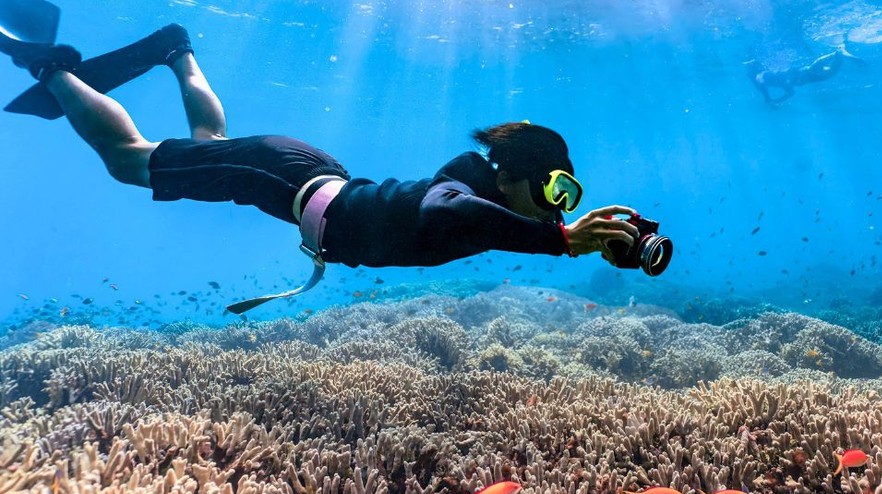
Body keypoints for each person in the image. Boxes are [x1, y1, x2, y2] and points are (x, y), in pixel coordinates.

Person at [1, 20, 640, 313]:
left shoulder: (488, 195)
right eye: (556, 187)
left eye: (569, 192)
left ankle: (176, 51)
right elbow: (441, 209)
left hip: (299, 174)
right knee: (127, 162)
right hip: (284, 175)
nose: (561, 203)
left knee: (211, 142)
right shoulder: (464, 192)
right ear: (508, 176)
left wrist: (590, 237)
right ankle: (50, 67)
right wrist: (559, 240)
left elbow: (475, 219)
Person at [748, 45, 863, 106]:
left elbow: (790, 91)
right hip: (811, 73)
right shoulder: (781, 80)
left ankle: (839, 52)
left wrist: (777, 101)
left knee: (828, 70)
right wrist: (776, 100)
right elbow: (790, 90)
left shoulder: (780, 80)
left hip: (813, 76)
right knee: (827, 66)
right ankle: (839, 52)